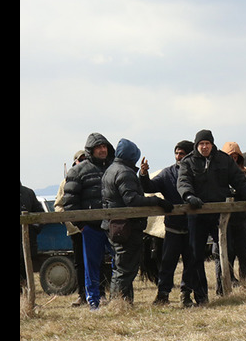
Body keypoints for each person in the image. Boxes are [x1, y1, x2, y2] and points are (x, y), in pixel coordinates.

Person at [177, 130, 246, 304]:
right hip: (197, 213)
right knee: (196, 254)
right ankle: (201, 297)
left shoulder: (223, 160)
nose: (205, 146)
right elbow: (183, 181)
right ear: (196, 145)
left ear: (212, 144)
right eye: (201, 143)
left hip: (219, 214)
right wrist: (188, 196)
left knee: (226, 250)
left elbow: (239, 179)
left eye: (207, 143)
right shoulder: (188, 162)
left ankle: (225, 291)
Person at [102, 138, 173, 304]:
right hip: (126, 226)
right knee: (126, 268)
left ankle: (125, 302)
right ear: (131, 156)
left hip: (114, 225)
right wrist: (156, 200)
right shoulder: (125, 172)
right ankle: (117, 303)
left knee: (121, 266)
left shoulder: (111, 170)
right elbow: (132, 200)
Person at [61, 132, 116, 310]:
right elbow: (69, 202)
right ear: (91, 150)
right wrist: (82, 225)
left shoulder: (115, 168)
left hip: (114, 225)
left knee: (119, 262)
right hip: (91, 227)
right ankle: (93, 301)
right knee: (90, 265)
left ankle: (118, 298)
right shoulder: (78, 171)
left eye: (104, 146)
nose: (102, 150)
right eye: (98, 147)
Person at [140, 140, 196, 307]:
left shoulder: (198, 174)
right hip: (172, 227)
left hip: (193, 227)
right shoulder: (168, 174)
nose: (179, 156)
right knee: (167, 263)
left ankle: (186, 295)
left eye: (182, 153)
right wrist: (143, 174)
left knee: (191, 264)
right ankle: (162, 294)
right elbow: (150, 186)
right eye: (177, 153)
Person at [218, 141, 246, 294]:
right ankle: (227, 282)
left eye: (236, 156)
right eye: (230, 156)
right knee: (227, 251)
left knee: (244, 251)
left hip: (242, 217)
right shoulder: (219, 172)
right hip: (225, 219)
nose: (233, 159)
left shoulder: (245, 172)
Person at [55, 150, 89, 306]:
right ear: (75, 162)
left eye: (85, 159)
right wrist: (71, 224)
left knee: (98, 261)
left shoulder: (94, 178)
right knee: (79, 263)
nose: (82, 162)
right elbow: (59, 206)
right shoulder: (66, 182)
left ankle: (99, 294)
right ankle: (82, 294)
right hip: (76, 231)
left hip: (94, 228)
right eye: (80, 160)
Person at [20, 182, 44, 292]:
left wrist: (34, 229)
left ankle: (28, 295)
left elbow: (40, 214)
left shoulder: (27, 193)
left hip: (27, 239)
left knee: (26, 269)